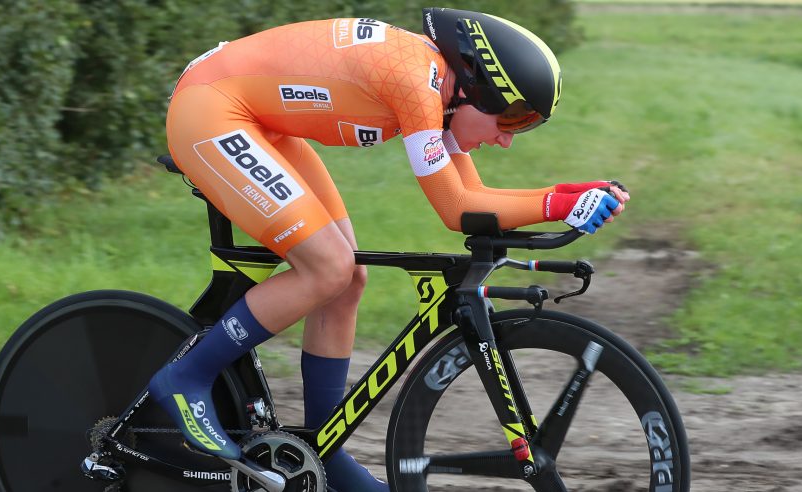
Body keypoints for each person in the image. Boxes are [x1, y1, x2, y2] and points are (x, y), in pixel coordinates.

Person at [149, 7, 629, 491]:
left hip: (258, 122)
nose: (506, 138)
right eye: (511, 118)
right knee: (328, 268)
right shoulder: (416, 84)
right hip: (211, 111)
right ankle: (186, 378)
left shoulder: (443, 93)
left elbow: (477, 200)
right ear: (474, 90)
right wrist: (557, 202)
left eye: (523, 124)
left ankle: (324, 450)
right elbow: (456, 210)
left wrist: (569, 195)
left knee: (347, 280)